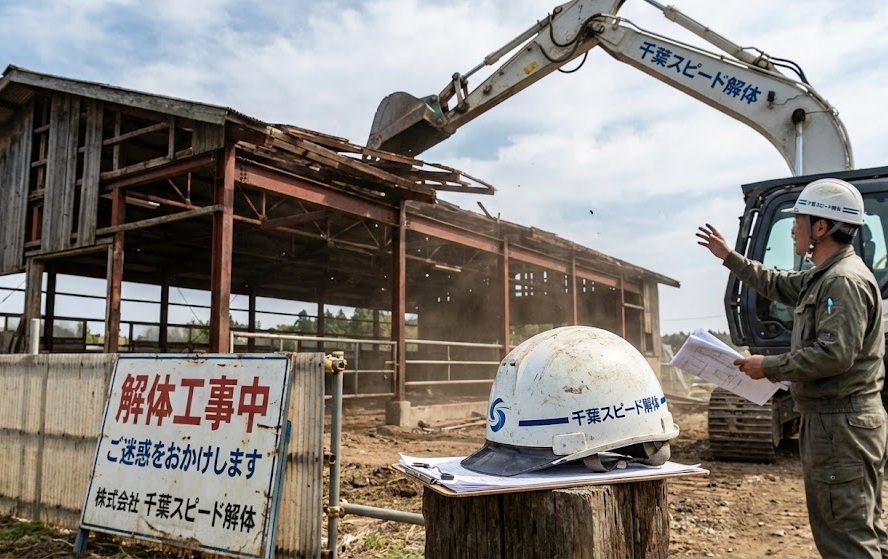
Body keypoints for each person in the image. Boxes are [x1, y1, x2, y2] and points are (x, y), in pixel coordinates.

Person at [697, 177, 888, 559]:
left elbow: (834, 355)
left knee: (846, 539)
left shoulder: (842, 281)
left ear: (821, 227)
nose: (793, 230)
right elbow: (777, 283)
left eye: (798, 221)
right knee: (862, 530)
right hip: (838, 422)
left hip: (839, 426)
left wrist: (769, 366)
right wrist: (730, 257)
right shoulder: (825, 276)